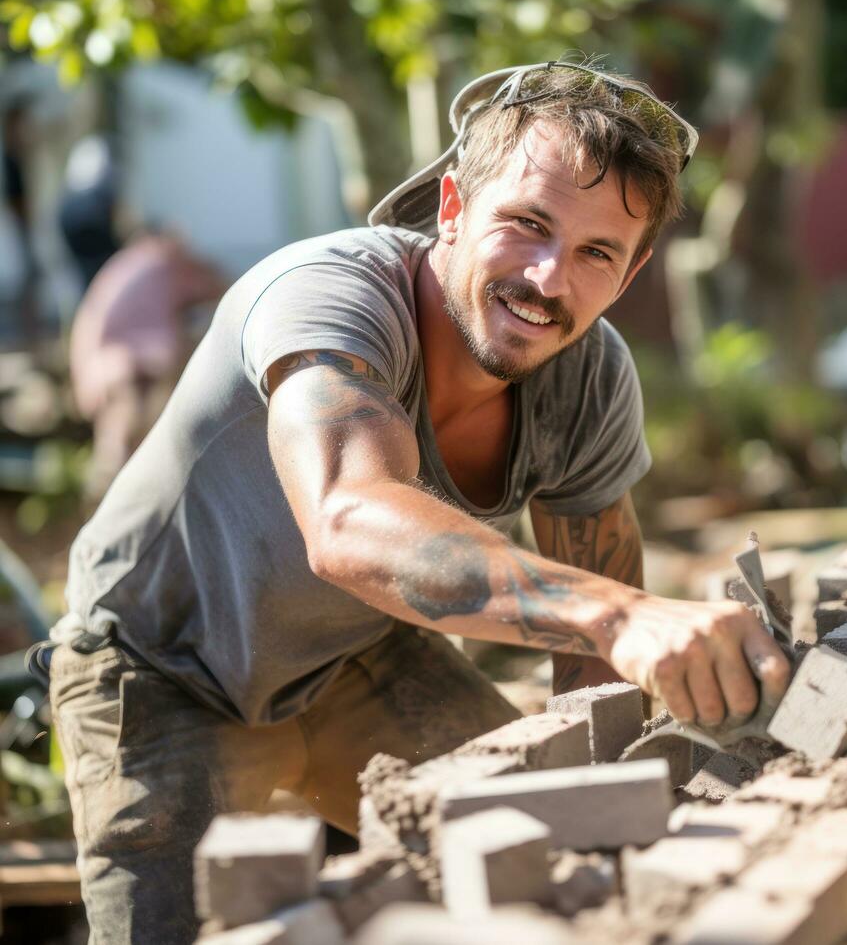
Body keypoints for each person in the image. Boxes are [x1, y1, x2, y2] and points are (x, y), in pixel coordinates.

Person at [42, 60, 791, 944]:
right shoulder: (329, 299)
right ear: (451, 209)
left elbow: (589, 677)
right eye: (527, 225)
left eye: (597, 253)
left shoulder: (589, 380)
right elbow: (350, 520)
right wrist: (621, 615)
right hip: (163, 665)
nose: (550, 280)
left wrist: (630, 802)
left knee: (554, 851)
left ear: (628, 276)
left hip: (359, 655)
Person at [68, 229, 227, 497]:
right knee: (136, 440)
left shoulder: (129, 265)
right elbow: (217, 288)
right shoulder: (164, 264)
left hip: (99, 369)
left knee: (117, 446)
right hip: (127, 367)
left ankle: (108, 502)